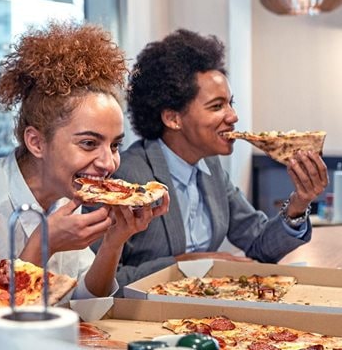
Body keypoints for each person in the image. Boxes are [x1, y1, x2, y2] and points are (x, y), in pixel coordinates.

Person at [0, 20, 170, 319]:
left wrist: (114, 243)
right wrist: (42, 246)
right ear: (36, 142)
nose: (109, 163)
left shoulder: (63, 198)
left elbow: (84, 308)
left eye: (115, 146)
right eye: (89, 143)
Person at [106, 28, 328, 288]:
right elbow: (103, 281)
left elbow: (258, 244)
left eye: (231, 103)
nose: (233, 116)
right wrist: (188, 264)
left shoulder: (211, 168)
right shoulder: (126, 177)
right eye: (217, 106)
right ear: (173, 118)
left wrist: (299, 202)